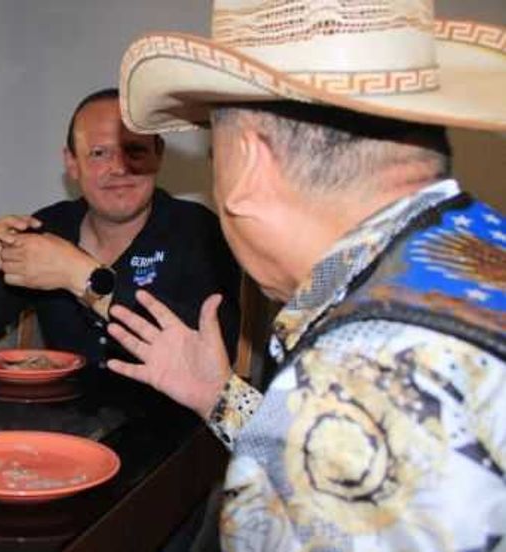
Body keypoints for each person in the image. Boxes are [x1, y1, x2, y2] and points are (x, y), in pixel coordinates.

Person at [109, 1, 505, 549]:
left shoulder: (356, 379)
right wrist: (220, 396)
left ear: (247, 162)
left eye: (214, 156)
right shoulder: (472, 250)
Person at [0, 88, 241, 364]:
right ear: (72, 163)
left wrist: (80, 275)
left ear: (158, 154)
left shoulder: (199, 231)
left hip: (162, 406)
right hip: (63, 405)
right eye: (99, 153)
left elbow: (211, 357)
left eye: (135, 150)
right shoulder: (48, 230)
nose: (119, 168)